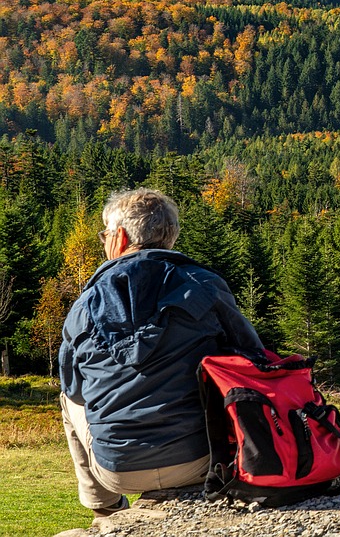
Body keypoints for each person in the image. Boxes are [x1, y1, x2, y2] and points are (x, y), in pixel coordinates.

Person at [59, 188, 265, 517]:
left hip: (117, 470)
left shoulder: (85, 305)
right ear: (170, 236)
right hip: (201, 459)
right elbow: (253, 354)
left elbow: (74, 387)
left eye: (106, 235)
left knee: (68, 399)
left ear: (120, 237)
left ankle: (103, 508)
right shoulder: (204, 285)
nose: (104, 242)